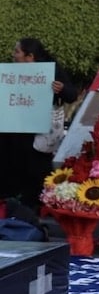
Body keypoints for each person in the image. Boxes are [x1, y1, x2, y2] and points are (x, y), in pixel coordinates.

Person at [0, 38, 78, 212]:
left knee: (35, 169)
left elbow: (71, 95)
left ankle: (36, 205)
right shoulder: (10, 74)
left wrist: (61, 89)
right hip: (13, 132)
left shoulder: (51, 70)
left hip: (39, 134)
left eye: (17, 52)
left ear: (30, 56)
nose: (13, 55)